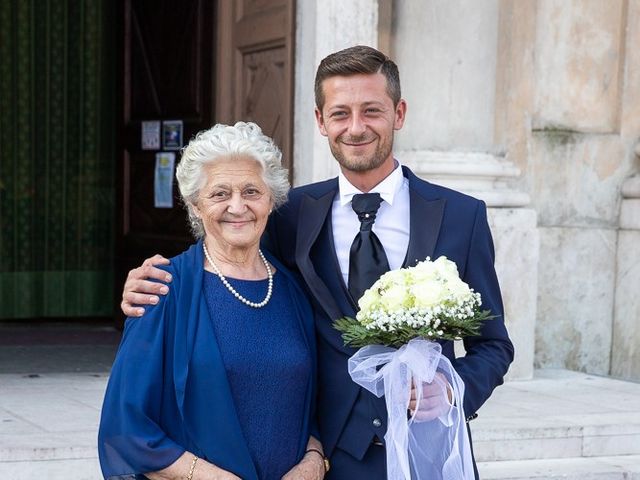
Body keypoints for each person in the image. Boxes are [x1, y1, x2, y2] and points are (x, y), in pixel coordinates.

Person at [121, 46, 514, 479]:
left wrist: (454, 389)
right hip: (330, 459)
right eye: (341, 113)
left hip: (429, 451)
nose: (356, 127)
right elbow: (229, 259)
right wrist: (153, 283)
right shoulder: (290, 215)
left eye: (372, 111)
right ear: (320, 120)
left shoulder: (462, 216)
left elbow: (494, 344)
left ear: (399, 113)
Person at [99, 122, 326, 480]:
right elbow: (126, 430)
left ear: (271, 199)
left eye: (251, 190)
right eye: (220, 194)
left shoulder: (294, 291)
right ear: (196, 205)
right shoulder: (162, 289)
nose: (238, 206)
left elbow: (311, 405)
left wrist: (314, 461)